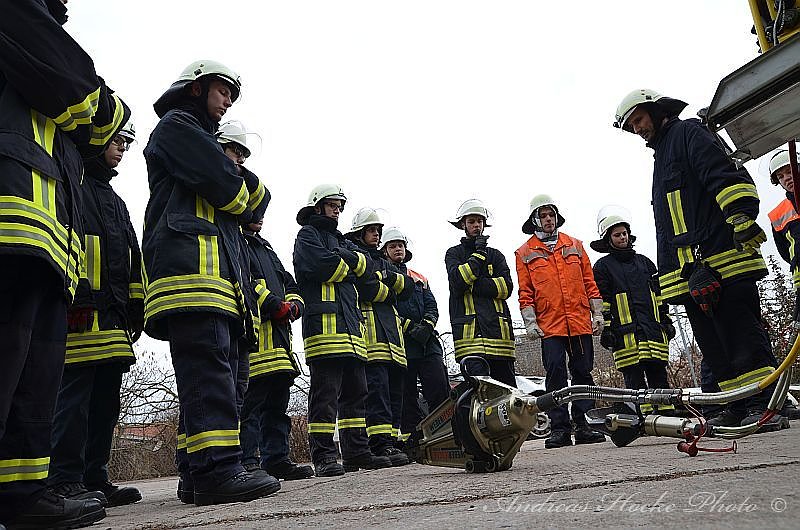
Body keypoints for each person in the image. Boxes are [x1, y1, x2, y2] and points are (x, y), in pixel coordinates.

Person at [0, 1, 130, 527]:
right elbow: (78, 92)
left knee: (34, 375)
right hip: (14, 212)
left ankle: (22, 492)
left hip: (48, 237)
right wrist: (105, 112)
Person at [142, 60, 278, 506]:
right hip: (190, 279)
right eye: (223, 92)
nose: (227, 102)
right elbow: (230, 188)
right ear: (197, 88)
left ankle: (197, 472)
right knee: (209, 376)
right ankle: (217, 472)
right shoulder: (176, 127)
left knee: (218, 380)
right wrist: (241, 191)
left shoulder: (195, 137)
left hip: (219, 286)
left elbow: (255, 202)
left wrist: (243, 193)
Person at [613, 88, 785, 431]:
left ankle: (763, 407)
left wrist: (739, 217)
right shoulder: (662, 154)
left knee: (741, 336)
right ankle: (735, 405)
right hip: (691, 272)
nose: (637, 129)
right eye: (632, 125)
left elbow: (725, 177)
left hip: (718, 262)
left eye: (639, 120)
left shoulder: (689, 133)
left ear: (656, 110)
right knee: (715, 344)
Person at [47, 120, 144, 508]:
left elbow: (131, 256)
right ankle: (63, 479)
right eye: (118, 141)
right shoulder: (73, 183)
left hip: (114, 320)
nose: (122, 149)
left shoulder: (115, 199)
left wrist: (137, 304)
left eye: (126, 143)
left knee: (106, 403)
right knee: (73, 401)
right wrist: (77, 296)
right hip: (81, 314)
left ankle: (94, 477)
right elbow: (65, 238)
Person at [293, 185, 392, 476]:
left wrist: (347, 263)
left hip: (351, 331)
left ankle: (356, 453)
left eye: (340, 205)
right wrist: (349, 267)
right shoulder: (307, 236)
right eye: (332, 204)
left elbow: (367, 269)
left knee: (356, 393)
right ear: (318, 206)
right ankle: (323, 456)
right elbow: (319, 265)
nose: (337, 210)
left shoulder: (340, 241)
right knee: (325, 395)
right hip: (324, 332)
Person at [515, 194, 607, 448]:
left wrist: (597, 313)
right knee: (554, 372)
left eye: (551, 215)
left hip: (578, 321)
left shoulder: (575, 245)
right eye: (543, 215)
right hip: (550, 324)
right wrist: (530, 321)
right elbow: (526, 291)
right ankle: (560, 428)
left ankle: (584, 423)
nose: (548, 219)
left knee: (583, 372)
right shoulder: (525, 252)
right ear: (534, 220)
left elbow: (590, 282)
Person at [590, 206, 676, 414]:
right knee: (634, 377)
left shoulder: (645, 263)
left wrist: (666, 320)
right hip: (624, 335)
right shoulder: (602, 267)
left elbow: (659, 296)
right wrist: (608, 329)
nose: (622, 237)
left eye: (625, 233)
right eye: (617, 234)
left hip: (652, 331)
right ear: (608, 239)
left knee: (657, 372)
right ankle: (644, 416)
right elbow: (605, 301)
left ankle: (667, 413)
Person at [345, 209, 413, 466]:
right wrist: (389, 289)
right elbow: (365, 288)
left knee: (395, 395)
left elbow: (406, 288)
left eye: (378, 230)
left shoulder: (382, 263)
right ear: (360, 232)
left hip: (393, 341)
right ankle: (379, 444)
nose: (376, 234)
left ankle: (391, 442)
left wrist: (386, 278)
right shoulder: (358, 256)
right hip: (371, 340)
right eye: (372, 230)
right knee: (377, 394)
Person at [381, 227, 450, 446]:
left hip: (428, 345)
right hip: (402, 346)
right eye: (392, 246)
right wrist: (411, 327)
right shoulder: (384, 277)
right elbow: (387, 309)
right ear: (385, 251)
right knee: (406, 397)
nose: (397, 249)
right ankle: (413, 442)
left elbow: (432, 305)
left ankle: (446, 435)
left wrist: (427, 326)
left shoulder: (419, 277)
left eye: (400, 245)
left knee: (440, 390)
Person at [445, 199, 516, 387]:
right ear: (463, 225)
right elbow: (458, 282)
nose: (476, 225)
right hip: (470, 341)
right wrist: (477, 256)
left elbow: (506, 288)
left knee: (507, 395)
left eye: (479, 221)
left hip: (500, 339)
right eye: (471, 222)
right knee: (479, 395)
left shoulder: (496, 255)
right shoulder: (454, 254)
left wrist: (474, 284)